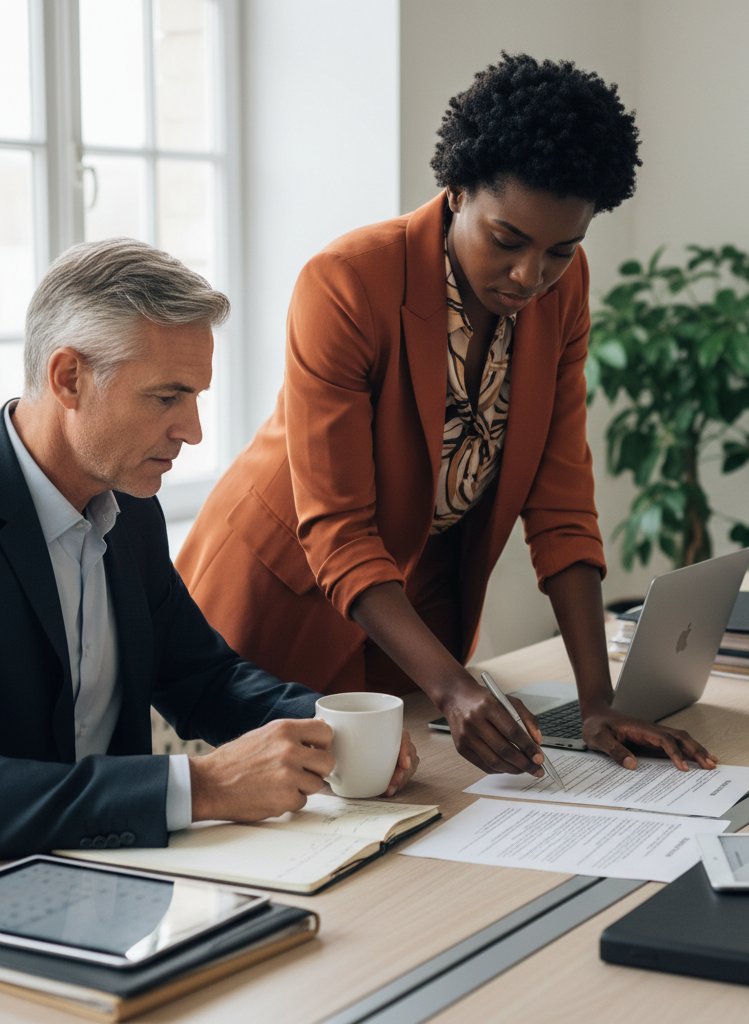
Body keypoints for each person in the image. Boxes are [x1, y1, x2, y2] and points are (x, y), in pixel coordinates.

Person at [177, 53, 718, 781]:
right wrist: (456, 687)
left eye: (561, 249)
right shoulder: (346, 283)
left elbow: (560, 500)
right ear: (456, 191)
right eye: (507, 241)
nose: (532, 275)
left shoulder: (563, 291)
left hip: (409, 611)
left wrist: (598, 702)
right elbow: (337, 527)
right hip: (281, 598)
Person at [0, 238, 417, 860]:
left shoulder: (131, 509)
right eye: (167, 397)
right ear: (69, 378)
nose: (192, 431)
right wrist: (203, 786)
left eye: (196, 397)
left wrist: (328, 727)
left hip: (124, 882)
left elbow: (201, 677)